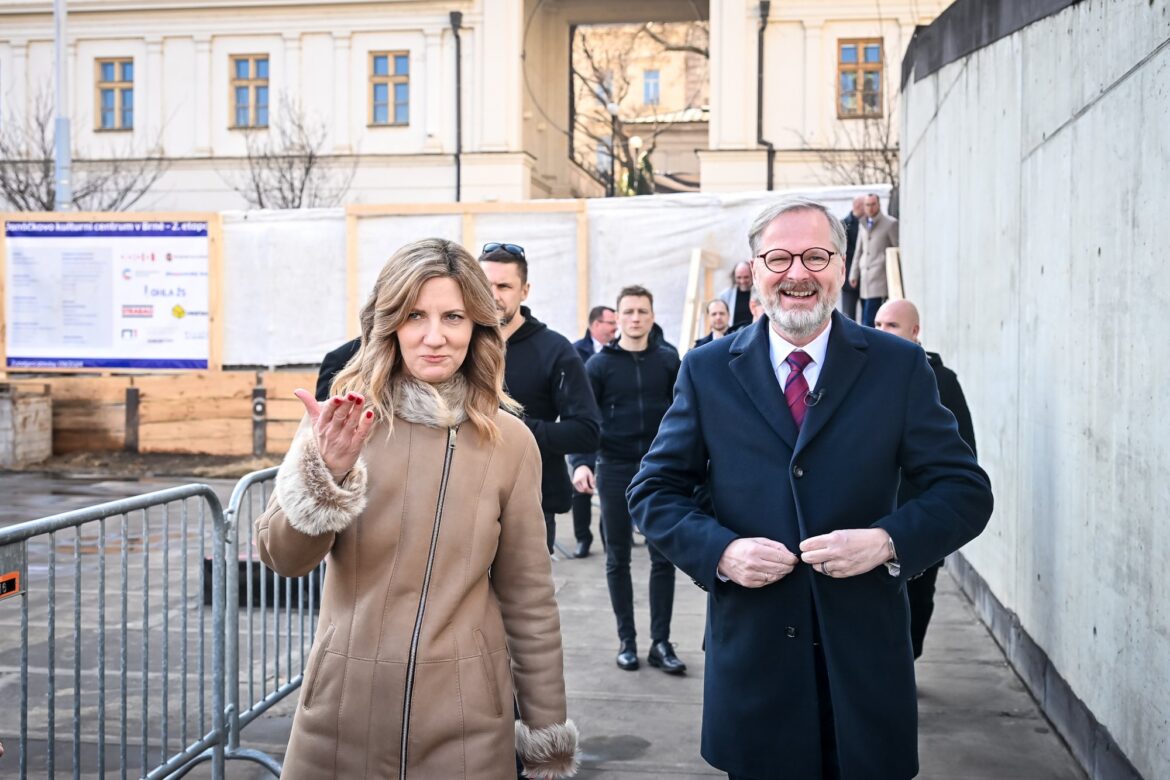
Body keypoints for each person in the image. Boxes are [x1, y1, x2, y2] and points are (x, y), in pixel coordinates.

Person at [627, 197, 993, 779]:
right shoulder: (707, 369)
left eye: (816, 256)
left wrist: (887, 541)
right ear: (754, 272)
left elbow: (965, 490)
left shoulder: (899, 366)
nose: (797, 273)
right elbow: (654, 491)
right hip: (755, 666)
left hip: (865, 667)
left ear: (842, 269)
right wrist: (720, 551)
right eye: (778, 258)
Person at [257, 238, 579, 778]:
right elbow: (281, 557)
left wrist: (546, 731)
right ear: (388, 324)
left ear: (479, 324)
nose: (435, 337)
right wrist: (327, 474)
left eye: (453, 316)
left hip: (469, 727)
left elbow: (529, 598)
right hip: (339, 720)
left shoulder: (513, 442)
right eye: (414, 316)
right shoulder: (340, 420)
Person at [571, 285, 687, 675]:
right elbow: (585, 419)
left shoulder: (670, 362)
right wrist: (581, 463)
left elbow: (688, 416)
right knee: (617, 556)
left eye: (642, 311)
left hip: (660, 470)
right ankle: (627, 641)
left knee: (662, 558)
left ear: (652, 316)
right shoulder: (598, 367)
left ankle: (660, 642)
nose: (636, 318)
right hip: (615, 467)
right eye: (628, 312)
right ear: (616, 319)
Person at [478, 242, 601, 556]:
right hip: (464, 501)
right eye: (485, 285)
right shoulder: (457, 342)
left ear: (525, 291)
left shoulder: (555, 350)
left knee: (524, 603)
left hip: (530, 504)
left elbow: (586, 431)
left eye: (504, 286)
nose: (493, 294)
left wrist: (510, 429)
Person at [875, 298, 977, 659]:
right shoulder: (862, 377)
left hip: (918, 520)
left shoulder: (942, 381)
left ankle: (905, 664)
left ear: (915, 332)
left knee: (917, 603)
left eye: (892, 326)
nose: (882, 332)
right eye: (878, 324)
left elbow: (963, 458)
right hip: (870, 522)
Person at [569, 305, 617, 558]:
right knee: (582, 486)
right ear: (595, 325)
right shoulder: (576, 352)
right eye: (611, 323)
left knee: (607, 486)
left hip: (608, 427)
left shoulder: (618, 351)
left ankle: (609, 537)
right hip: (584, 425)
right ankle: (582, 539)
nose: (615, 327)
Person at [847, 192, 900, 327]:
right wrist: (854, 274)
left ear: (878, 204)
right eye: (867, 205)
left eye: (872, 204)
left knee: (869, 320)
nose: (870, 208)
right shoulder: (863, 224)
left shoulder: (890, 223)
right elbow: (859, 251)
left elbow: (896, 249)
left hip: (880, 278)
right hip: (865, 279)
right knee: (866, 315)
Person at [839, 195, 864, 321]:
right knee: (848, 314)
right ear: (859, 206)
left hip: (865, 276)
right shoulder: (843, 225)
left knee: (867, 315)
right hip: (849, 276)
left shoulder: (867, 223)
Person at [718, 261, 754, 329]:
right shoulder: (725, 296)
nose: (742, 281)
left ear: (753, 275)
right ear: (734, 277)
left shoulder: (760, 294)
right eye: (739, 277)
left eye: (746, 277)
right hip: (733, 335)